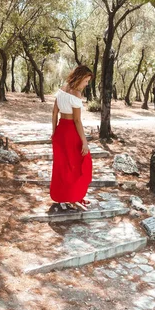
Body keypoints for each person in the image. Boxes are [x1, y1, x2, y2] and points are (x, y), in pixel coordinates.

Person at [50, 65, 93, 211]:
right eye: (86, 81)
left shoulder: (61, 89)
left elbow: (55, 113)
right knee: (80, 163)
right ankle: (73, 198)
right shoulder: (76, 94)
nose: (86, 84)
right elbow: (77, 120)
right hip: (71, 132)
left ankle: (74, 196)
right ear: (80, 78)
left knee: (64, 167)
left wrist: (54, 133)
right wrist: (85, 142)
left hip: (60, 131)